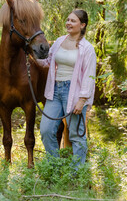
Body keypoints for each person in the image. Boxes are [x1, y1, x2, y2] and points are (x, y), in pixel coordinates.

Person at [37, 9, 97, 168]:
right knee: (46, 130)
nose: (68, 23)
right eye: (68, 19)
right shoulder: (59, 41)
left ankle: (77, 173)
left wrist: (82, 100)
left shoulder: (87, 48)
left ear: (82, 25)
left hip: (75, 93)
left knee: (76, 135)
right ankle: (55, 168)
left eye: (73, 21)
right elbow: (47, 62)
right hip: (55, 91)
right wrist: (32, 55)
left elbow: (89, 76)